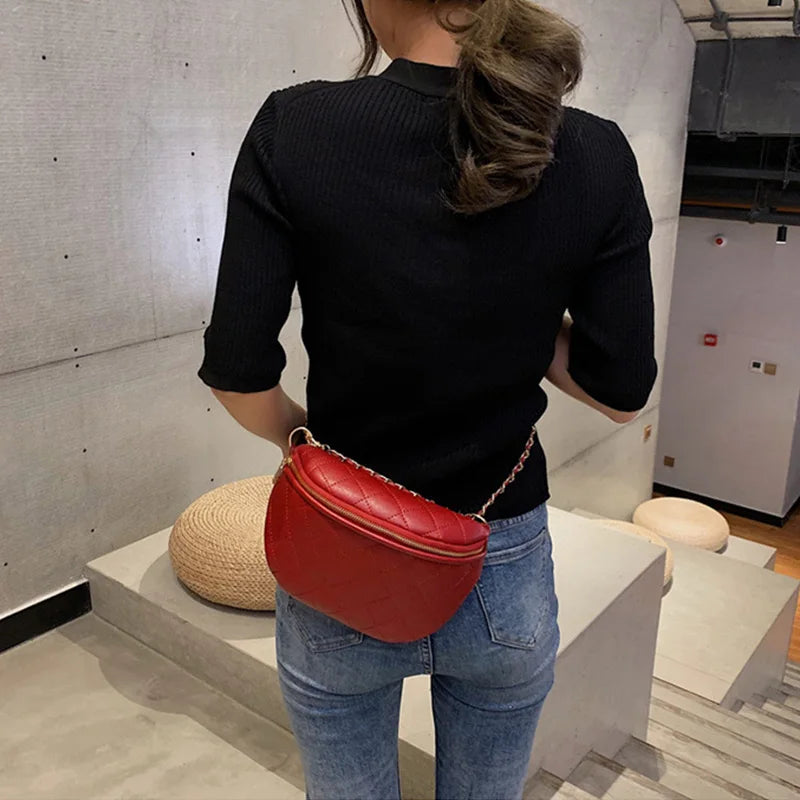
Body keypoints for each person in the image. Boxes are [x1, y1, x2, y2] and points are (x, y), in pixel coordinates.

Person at [198, 1, 657, 797]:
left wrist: (302, 444)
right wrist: (525, 312)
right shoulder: (594, 149)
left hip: (341, 546)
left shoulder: (296, 127)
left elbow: (237, 375)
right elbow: (623, 394)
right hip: (502, 555)